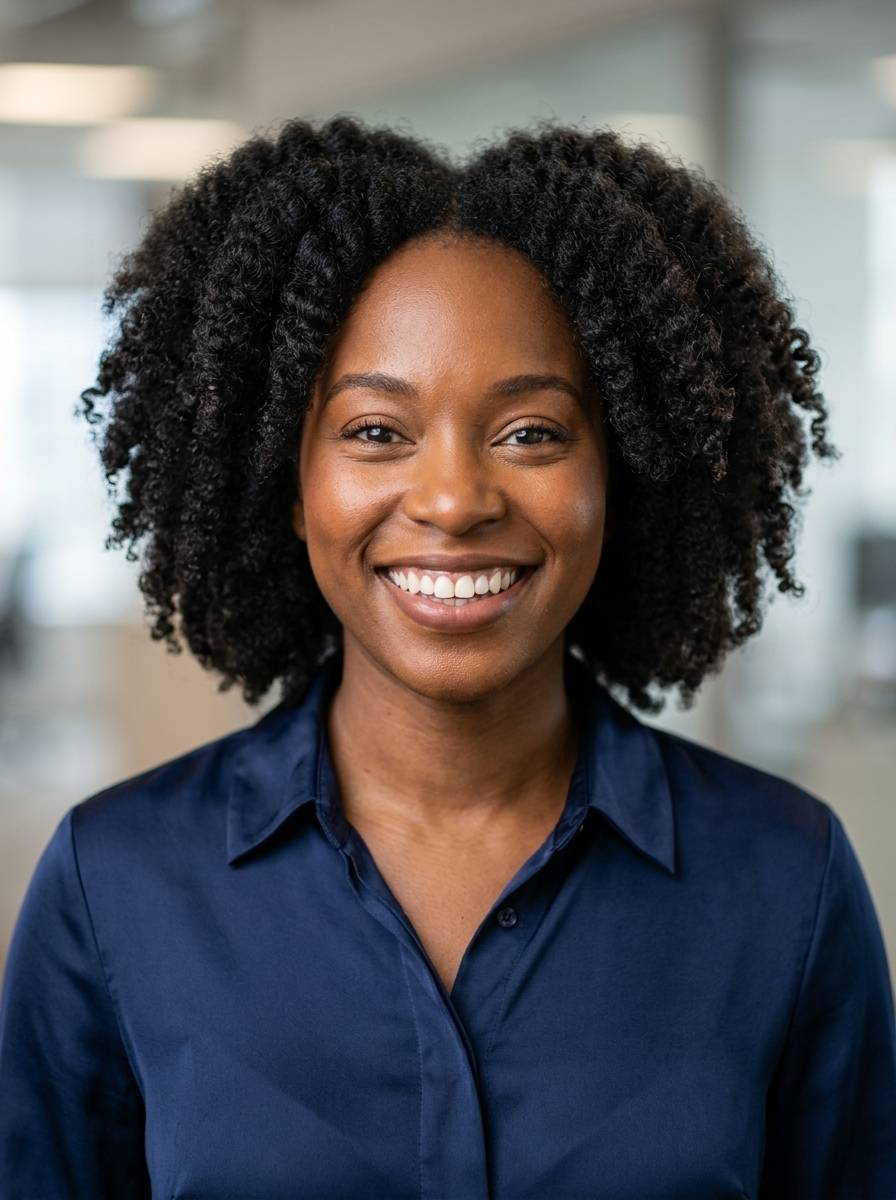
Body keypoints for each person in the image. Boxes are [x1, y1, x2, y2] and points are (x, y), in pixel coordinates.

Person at [0, 113, 893, 1199]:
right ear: (287, 483)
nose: (454, 500)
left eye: (530, 432)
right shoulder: (117, 883)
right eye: (376, 431)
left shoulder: (782, 882)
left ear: (623, 476)